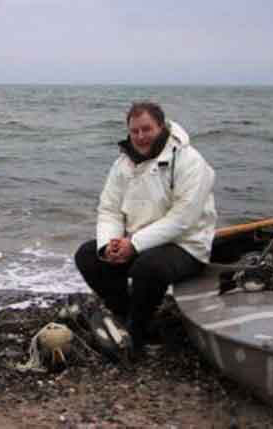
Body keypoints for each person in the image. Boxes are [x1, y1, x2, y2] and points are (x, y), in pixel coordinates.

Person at [74, 102, 216, 354]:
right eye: (134, 131)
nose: (140, 137)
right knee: (88, 255)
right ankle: (125, 313)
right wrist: (110, 244)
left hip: (186, 245)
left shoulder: (189, 161)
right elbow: (110, 209)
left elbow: (182, 218)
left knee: (148, 267)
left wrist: (134, 244)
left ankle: (138, 331)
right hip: (138, 242)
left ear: (161, 127)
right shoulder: (123, 164)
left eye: (146, 129)